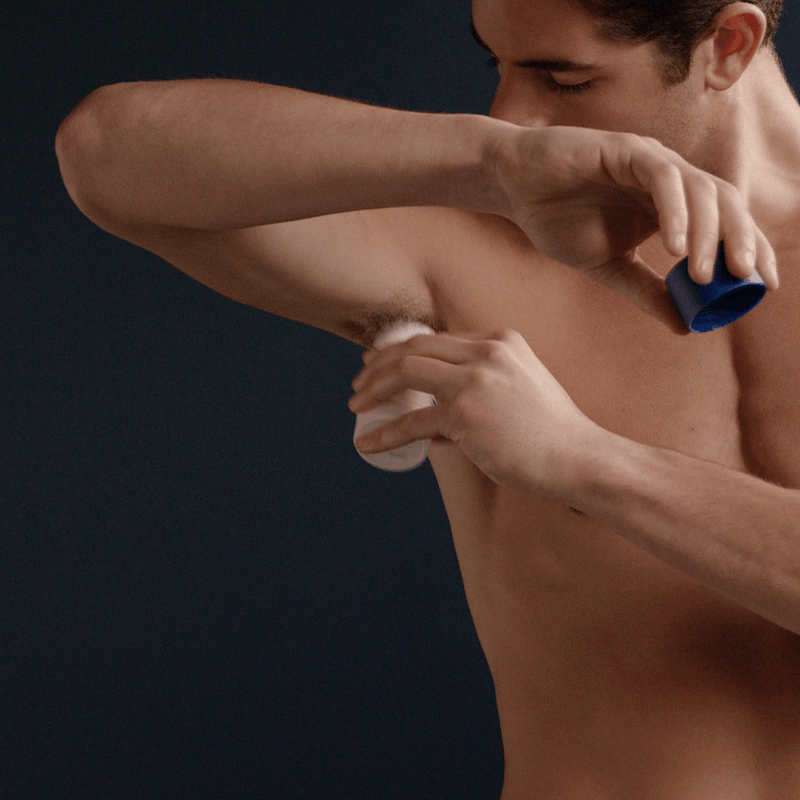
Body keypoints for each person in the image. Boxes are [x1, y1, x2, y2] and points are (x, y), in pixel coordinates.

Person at [55, 0, 800, 796]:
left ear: (727, 44)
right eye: (496, 64)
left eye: (565, 77)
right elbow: (104, 151)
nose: (514, 114)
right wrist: (488, 163)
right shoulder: (486, 228)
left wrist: (583, 461)